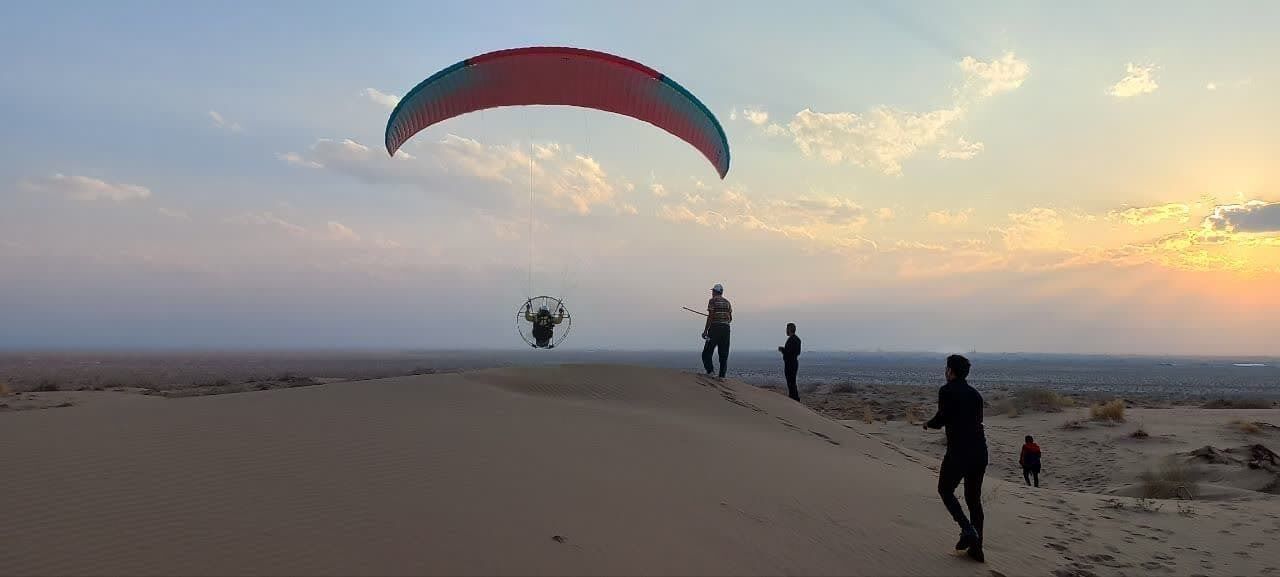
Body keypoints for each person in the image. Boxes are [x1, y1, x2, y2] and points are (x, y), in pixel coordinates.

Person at [923, 354, 988, 563]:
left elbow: (942, 418)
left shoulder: (947, 390)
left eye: (946, 368)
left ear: (951, 371)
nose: (945, 371)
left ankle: (967, 530)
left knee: (945, 490)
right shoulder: (975, 395)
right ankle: (977, 549)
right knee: (973, 501)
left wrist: (928, 424)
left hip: (959, 452)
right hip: (979, 452)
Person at [701, 284, 732, 378]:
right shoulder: (727, 302)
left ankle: (710, 372)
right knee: (723, 354)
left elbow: (710, 316)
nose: (712, 293)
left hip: (715, 328)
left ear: (714, 292)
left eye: (712, 291)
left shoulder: (712, 301)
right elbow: (730, 319)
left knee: (706, 352)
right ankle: (722, 376)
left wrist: (705, 330)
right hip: (726, 329)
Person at [778, 323, 802, 401]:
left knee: (791, 382)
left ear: (790, 329)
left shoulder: (793, 339)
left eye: (787, 329)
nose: (786, 331)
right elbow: (796, 352)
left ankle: (794, 399)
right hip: (792, 363)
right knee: (791, 382)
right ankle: (793, 399)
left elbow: (791, 353)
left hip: (790, 364)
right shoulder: (797, 339)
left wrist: (783, 350)